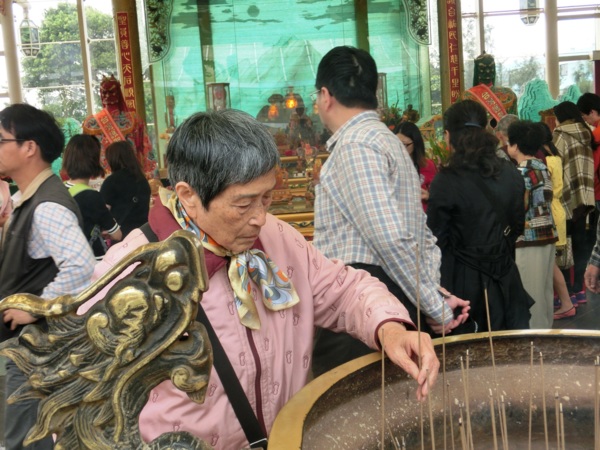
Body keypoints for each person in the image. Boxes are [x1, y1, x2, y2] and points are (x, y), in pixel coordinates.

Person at [88, 108, 440, 450]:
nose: (259, 217)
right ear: (188, 195)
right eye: (244, 204)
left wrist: (389, 328)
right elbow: (91, 401)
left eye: (266, 198)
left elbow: (343, 289)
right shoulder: (131, 274)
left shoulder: (278, 238)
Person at [311, 46, 470, 376]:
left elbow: (390, 239)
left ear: (325, 96)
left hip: (363, 304)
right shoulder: (386, 141)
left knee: (359, 401)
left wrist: (435, 306)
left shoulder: (356, 145)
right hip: (392, 294)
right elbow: (421, 236)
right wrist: (433, 293)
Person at [0, 103, 96, 450]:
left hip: (35, 348)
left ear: (29, 147)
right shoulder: (30, 198)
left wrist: (36, 307)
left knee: (24, 438)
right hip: (27, 348)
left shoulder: (47, 206)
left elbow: (81, 266)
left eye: (1, 140)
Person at [426, 100, 531, 332]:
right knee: (511, 347)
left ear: (448, 135)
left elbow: (435, 240)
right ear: (485, 130)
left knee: (468, 350)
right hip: (506, 279)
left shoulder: (446, 180)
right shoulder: (510, 172)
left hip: (463, 286)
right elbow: (517, 227)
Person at [507, 120, 558, 329]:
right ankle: (546, 336)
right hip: (547, 233)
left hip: (529, 237)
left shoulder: (521, 171)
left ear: (516, 145)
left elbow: (520, 206)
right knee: (544, 293)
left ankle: (534, 342)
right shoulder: (541, 166)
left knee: (531, 296)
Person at [552, 101, 595, 304]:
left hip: (567, 195)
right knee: (580, 242)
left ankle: (567, 293)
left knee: (564, 243)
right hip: (584, 194)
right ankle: (580, 290)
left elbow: (557, 162)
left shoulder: (560, 134)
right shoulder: (586, 133)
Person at [532, 122, 576, 320]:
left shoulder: (542, 161)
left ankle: (564, 303)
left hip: (549, 210)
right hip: (557, 209)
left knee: (549, 263)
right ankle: (564, 302)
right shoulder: (555, 156)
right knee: (551, 263)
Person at [82, 74, 156, 176]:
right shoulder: (91, 123)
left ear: (118, 93)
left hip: (130, 173)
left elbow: (145, 147)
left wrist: (150, 173)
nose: (107, 96)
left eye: (111, 92)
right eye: (104, 92)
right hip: (101, 175)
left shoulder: (133, 119)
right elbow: (85, 153)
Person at [62, 134, 122, 260]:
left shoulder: (61, 190)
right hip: (93, 261)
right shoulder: (92, 196)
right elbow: (117, 235)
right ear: (94, 161)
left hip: (69, 259)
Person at [101, 140, 151, 237]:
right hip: (143, 234)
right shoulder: (142, 180)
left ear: (113, 159)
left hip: (122, 236)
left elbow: (104, 211)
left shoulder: (111, 181)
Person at [461, 52, 518, 125]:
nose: (487, 71)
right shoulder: (467, 96)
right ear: (477, 70)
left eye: (490, 67)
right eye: (483, 68)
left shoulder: (509, 94)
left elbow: (514, 124)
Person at [393, 121, 437, 211]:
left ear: (415, 143)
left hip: (422, 213)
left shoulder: (427, 165)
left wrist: (429, 196)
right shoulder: (390, 165)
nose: (401, 148)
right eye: (397, 144)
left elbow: (438, 195)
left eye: (405, 144)